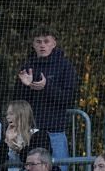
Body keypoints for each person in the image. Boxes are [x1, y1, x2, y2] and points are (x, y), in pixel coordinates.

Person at [15, 24, 80, 161]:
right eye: (38, 42)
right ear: (33, 44)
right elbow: (17, 101)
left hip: (55, 132)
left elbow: (70, 98)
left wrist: (46, 86)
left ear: (54, 43)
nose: (42, 45)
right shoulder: (27, 67)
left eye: (46, 41)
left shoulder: (65, 66)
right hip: (30, 132)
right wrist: (26, 86)